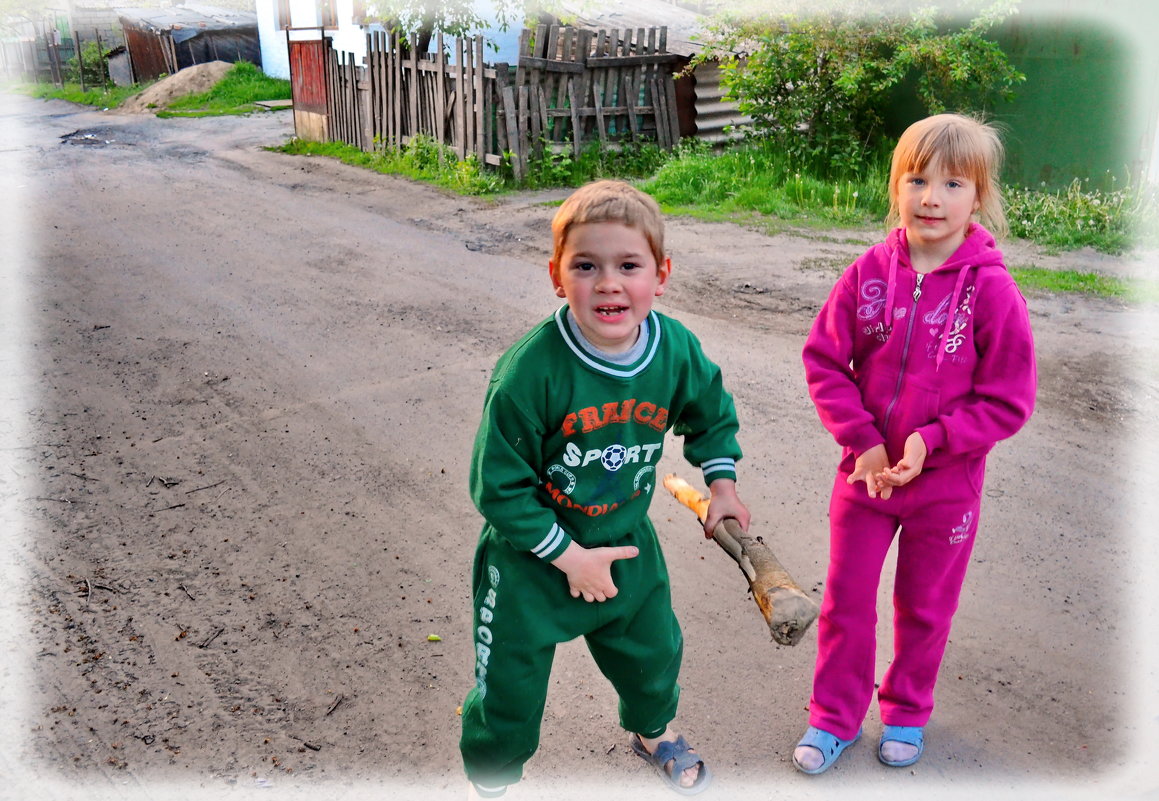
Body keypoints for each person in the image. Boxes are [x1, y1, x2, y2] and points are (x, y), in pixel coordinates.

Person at [459, 179, 751, 797]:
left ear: (661, 275)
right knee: (508, 686)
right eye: (586, 266)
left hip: (621, 542)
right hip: (531, 560)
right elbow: (498, 487)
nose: (609, 283)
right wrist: (569, 559)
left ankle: (653, 732)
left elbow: (709, 412)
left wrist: (721, 484)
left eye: (629, 266)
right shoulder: (529, 372)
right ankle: (491, 780)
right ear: (557, 276)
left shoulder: (673, 350)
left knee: (651, 654)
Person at [794, 114, 1037, 774]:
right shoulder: (867, 271)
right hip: (865, 480)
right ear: (896, 186)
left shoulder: (991, 289)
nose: (931, 196)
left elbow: (1007, 398)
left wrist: (933, 441)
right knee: (845, 603)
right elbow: (823, 359)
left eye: (952, 183)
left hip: (944, 490)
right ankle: (833, 717)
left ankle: (904, 711)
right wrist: (864, 443)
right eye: (916, 178)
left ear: (978, 197)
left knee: (924, 607)